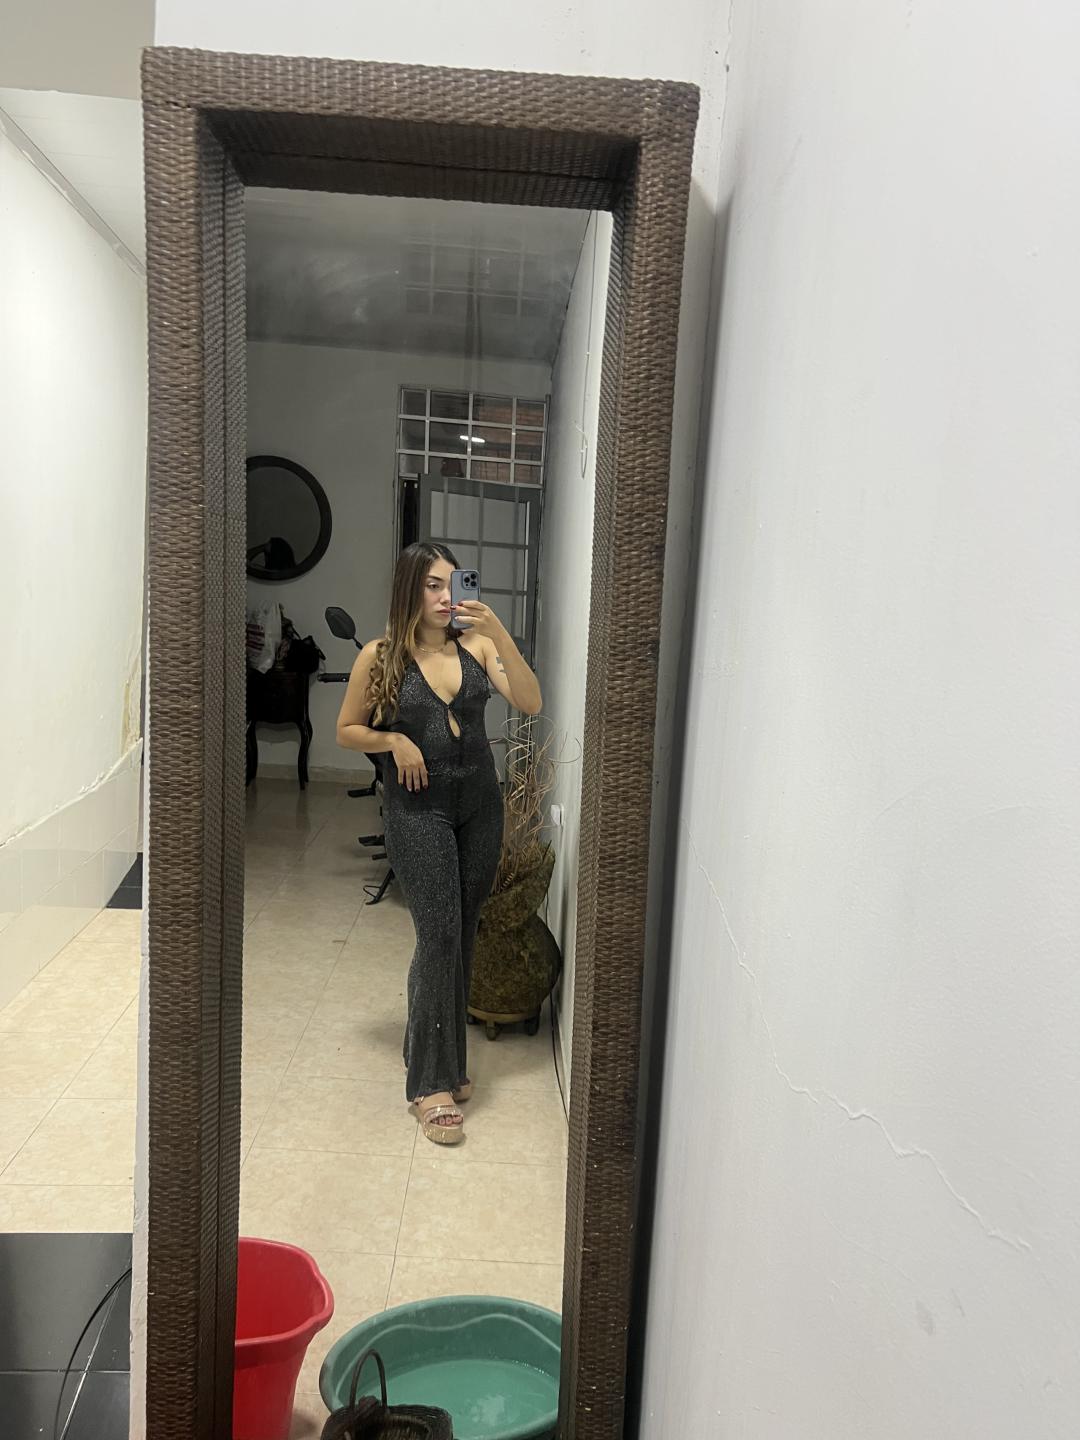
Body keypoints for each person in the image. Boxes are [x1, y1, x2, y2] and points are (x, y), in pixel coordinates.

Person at [336, 542, 542, 1144]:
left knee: (462, 930)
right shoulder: (380, 657)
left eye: (453, 583)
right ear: (409, 588)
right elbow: (347, 730)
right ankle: (430, 1085)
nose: (446, 596)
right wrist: (394, 742)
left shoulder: (477, 646)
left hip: (479, 808)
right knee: (439, 934)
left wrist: (498, 631)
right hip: (417, 809)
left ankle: (441, 1057)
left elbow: (530, 701)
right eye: (432, 585)